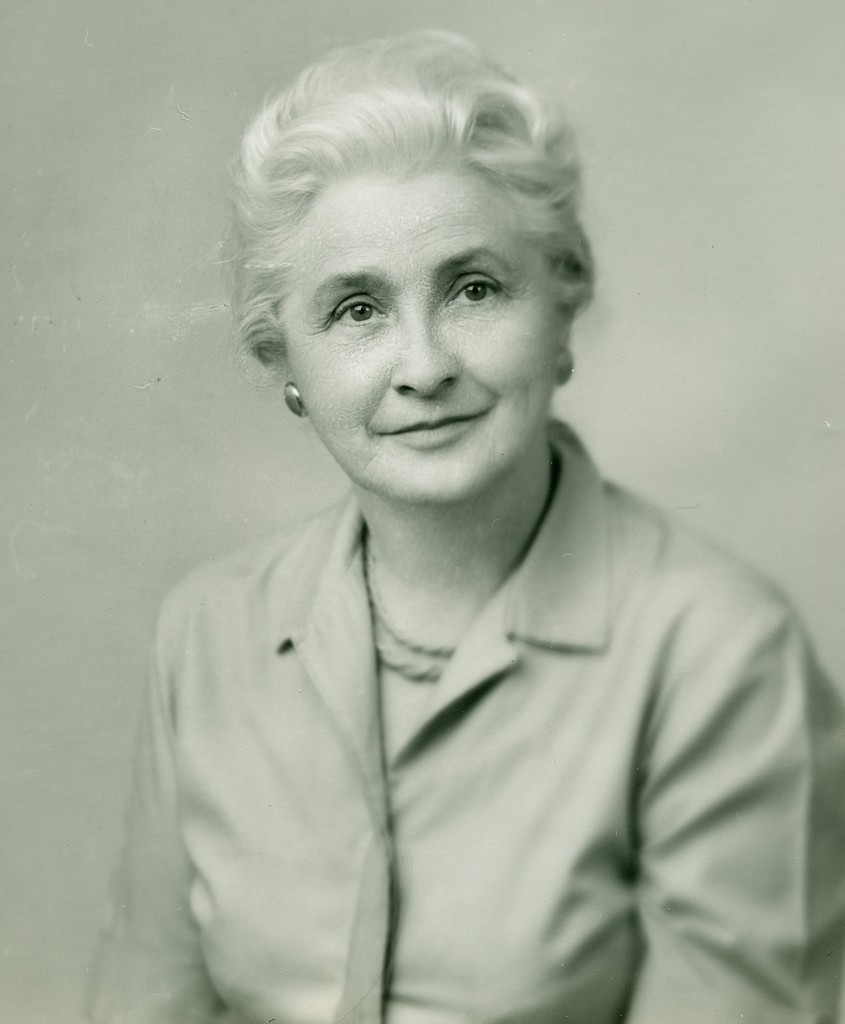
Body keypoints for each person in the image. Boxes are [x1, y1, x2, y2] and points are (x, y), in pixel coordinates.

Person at [86, 30, 845, 1024]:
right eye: (356, 309)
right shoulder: (207, 632)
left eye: (473, 287)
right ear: (288, 370)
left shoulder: (717, 655)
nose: (423, 363)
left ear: (560, 306)